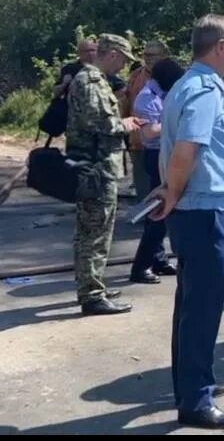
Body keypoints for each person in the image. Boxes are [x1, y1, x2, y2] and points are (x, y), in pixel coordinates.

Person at [151, 15, 224, 430]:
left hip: (198, 209)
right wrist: (172, 191)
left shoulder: (186, 84)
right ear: (220, 46)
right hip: (203, 211)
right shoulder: (205, 89)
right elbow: (187, 149)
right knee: (202, 310)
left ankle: (196, 384)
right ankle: (195, 400)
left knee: (192, 306)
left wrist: (171, 190)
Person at [66, 34, 143, 315]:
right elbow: (100, 123)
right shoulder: (90, 81)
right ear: (112, 54)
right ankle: (91, 295)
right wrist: (127, 124)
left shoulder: (94, 80)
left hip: (99, 167)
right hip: (95, 168)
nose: (123, 66)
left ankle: (93, 283)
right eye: (123, 59)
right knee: (94, 233)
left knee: (97, 230)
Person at [128, 58, 185, 284]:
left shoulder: (164, 92)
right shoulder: (146, 97)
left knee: (165, 212)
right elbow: (150, 132)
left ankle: (158, 260)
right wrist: (177, 122)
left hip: (167, 154)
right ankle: (140, 266)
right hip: (155, 156)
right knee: (159, 212)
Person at [123, 41, 171, 206]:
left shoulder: (172, 77)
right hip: (138, 142)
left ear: (164, 56)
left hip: (164, 145)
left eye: (153, 55)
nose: (148, 59)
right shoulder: (136, 76)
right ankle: (146, 220)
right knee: (144, 191)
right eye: (146, 55)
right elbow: (126, 103)